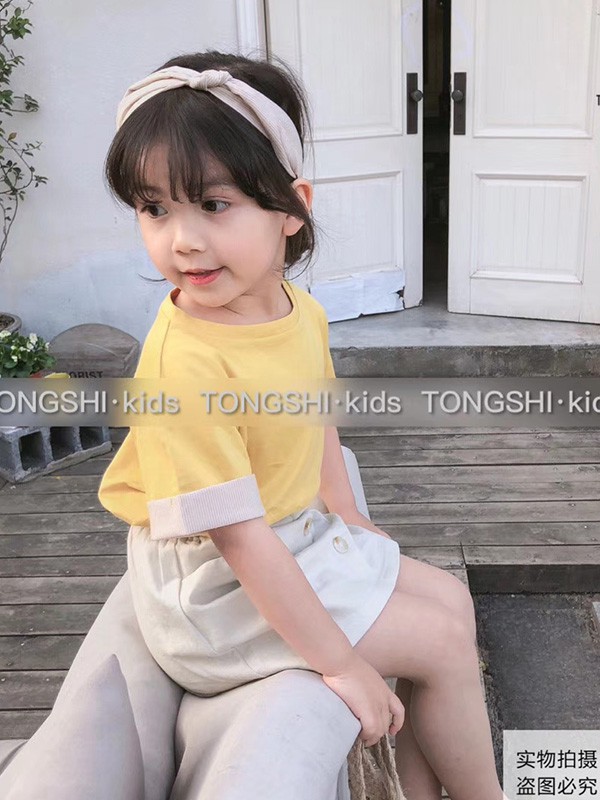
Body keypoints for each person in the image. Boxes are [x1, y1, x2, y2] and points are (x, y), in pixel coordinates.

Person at [97, 50, 508, 800]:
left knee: (453, 602)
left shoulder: (299, 311)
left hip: (291, 536)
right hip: (214, 593)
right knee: (442, 642)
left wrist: (347, 512)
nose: (181, 239)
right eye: (155, 209)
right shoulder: (183, 367)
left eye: (213, 204)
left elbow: (312, 408)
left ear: (291, 209)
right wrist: (342, 666)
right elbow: (237, 538)